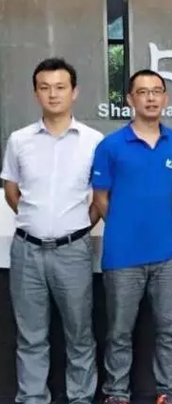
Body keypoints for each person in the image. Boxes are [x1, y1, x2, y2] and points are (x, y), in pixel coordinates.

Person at [1, 57, 103, 404]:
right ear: (36, 93)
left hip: (73, 251)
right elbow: (11, 190)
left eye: (60, 87)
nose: (53, 94)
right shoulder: (19, 140)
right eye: (44, 88)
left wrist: (74, 228)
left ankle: (81, 398)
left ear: (75, 92)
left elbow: (100, 197)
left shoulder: (93, 141)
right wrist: (38, 220)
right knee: (30, 335)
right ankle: (32, 398)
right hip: (26, 251)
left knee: (80, 334)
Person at [91, 69, 172, 404]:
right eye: (142, 92)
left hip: (167, 253)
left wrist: (154, 223)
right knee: (119, 331)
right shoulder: (111, 145)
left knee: (169, 329)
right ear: (130, 99)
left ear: (166, 98)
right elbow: (100, 198)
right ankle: (117, 393)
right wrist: (125, 225)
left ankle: (168, 393)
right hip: (122, 255)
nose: (150, 98)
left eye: (157, 91)